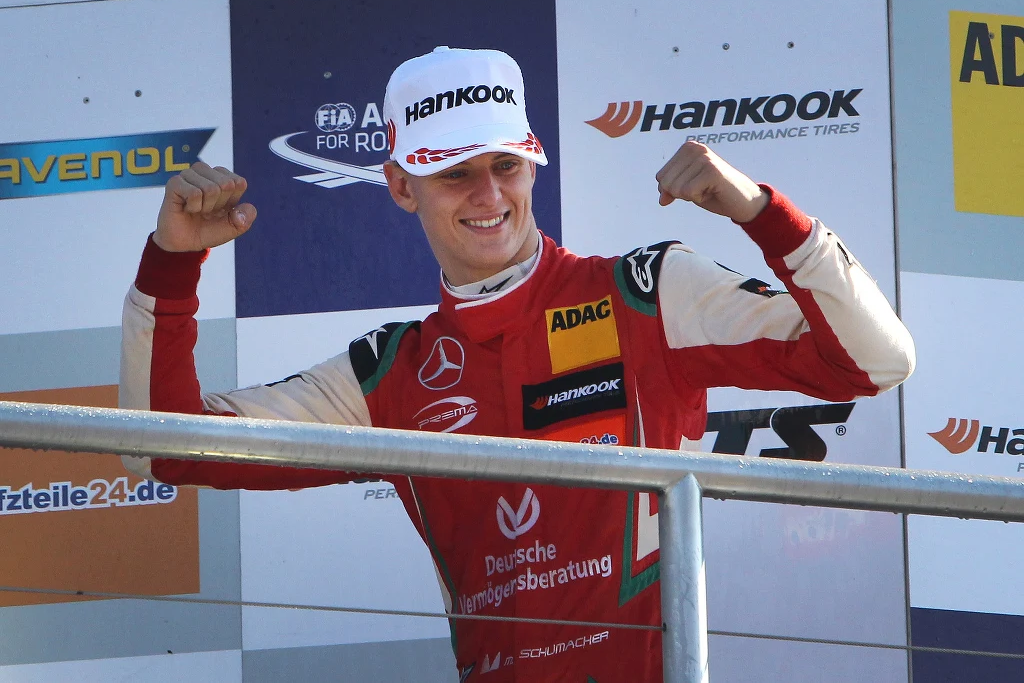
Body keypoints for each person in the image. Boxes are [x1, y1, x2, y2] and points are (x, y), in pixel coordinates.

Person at [120, 46, 915, 682]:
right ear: (400, 186)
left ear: (533, 164)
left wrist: (763, 213)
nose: (488, 194)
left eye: (505, 164)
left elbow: (876, 361)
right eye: (454, 172)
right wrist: (171, 264)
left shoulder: (648, 293)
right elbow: (166, 447)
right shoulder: (388, 373)